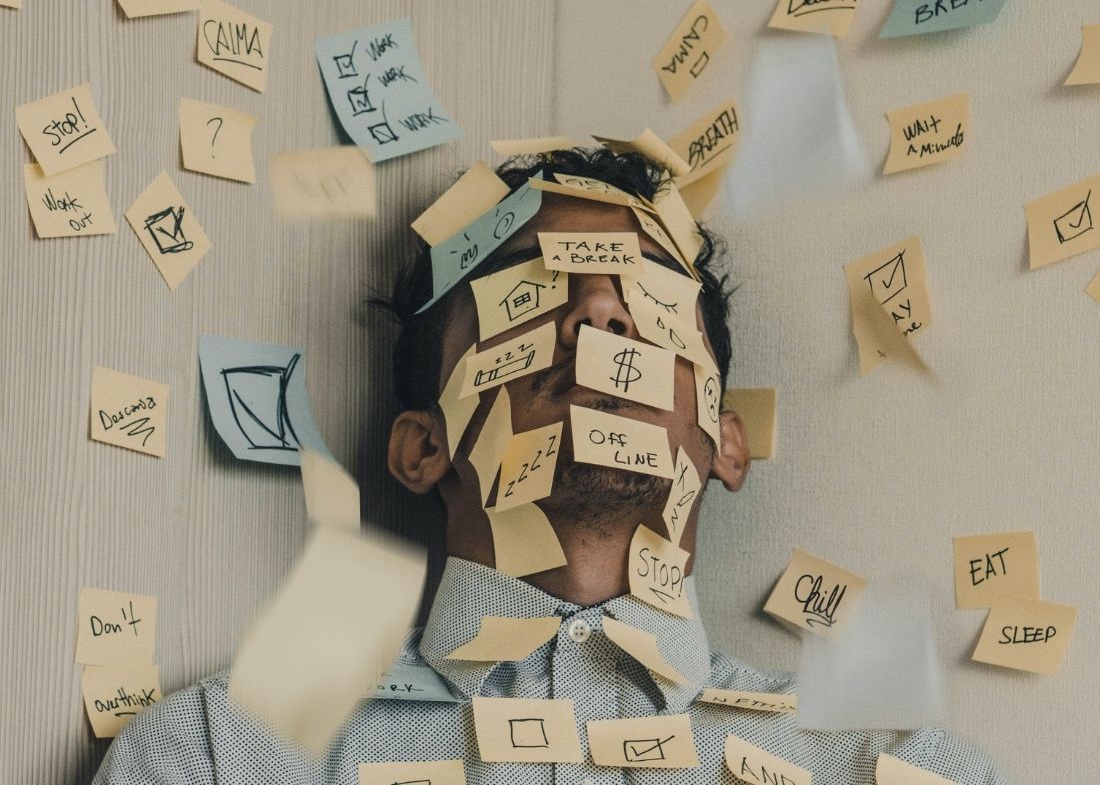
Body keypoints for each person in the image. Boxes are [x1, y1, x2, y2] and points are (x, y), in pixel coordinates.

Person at [92, 148, 1005, 784]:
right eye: (534, 287)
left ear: (724, 439)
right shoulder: (220, 759)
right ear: (422, 447)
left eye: (647, 297)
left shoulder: (899, 772)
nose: (598, 316)